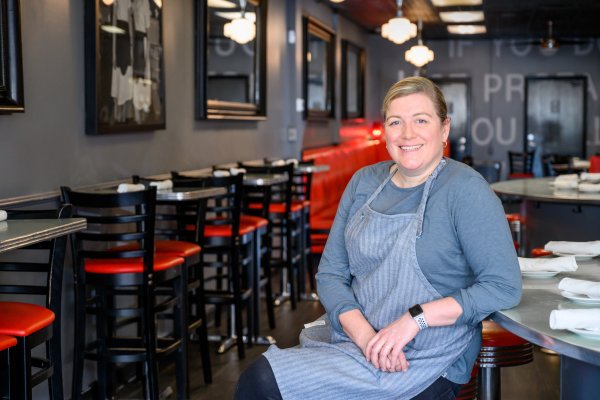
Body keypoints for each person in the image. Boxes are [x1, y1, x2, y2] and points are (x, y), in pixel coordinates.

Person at [235, 77, 521, 399]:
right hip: (355, 341)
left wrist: (415, 319)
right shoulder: (364, 182)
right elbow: (330, 273)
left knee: (261, 383)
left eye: (421, 120)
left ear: (444, 129)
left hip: (428, 356)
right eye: (395, 122)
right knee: (260, 380)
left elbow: (503, 286)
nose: (407, 134)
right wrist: (366, 337)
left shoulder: (466, 190)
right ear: (385, 132)